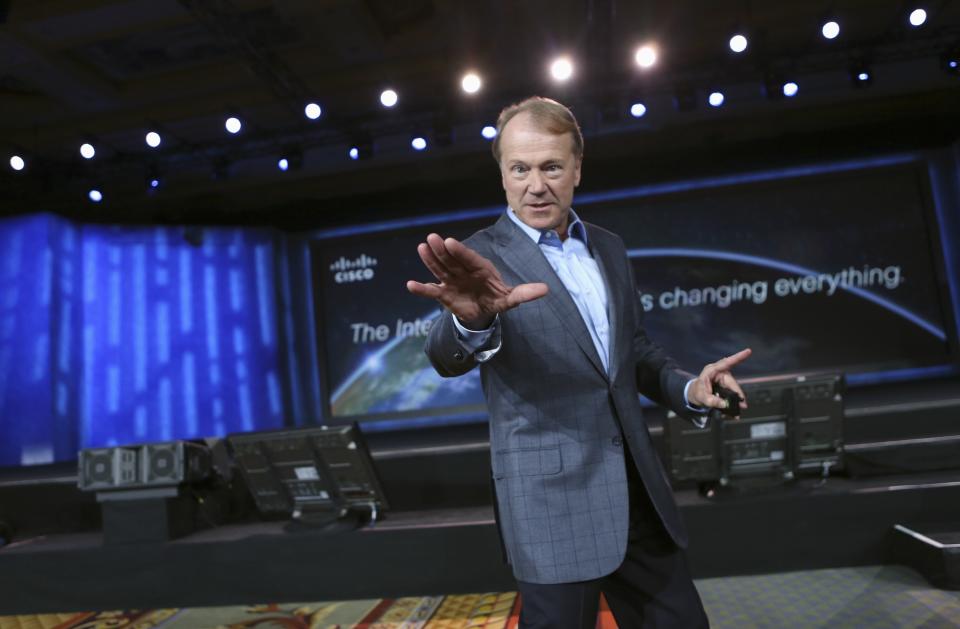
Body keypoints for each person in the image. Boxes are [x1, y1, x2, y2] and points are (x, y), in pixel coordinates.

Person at [406, 96, 750, 629]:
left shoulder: (609, 248)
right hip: (551, 507)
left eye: (551, 167)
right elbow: (444, 358)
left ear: (577, 169)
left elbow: (633, 354)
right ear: (502, 174)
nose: (535, 185)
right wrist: (472, 321)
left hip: (637, 495)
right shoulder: (478, 258)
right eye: (519, 168)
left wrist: (690, 391)